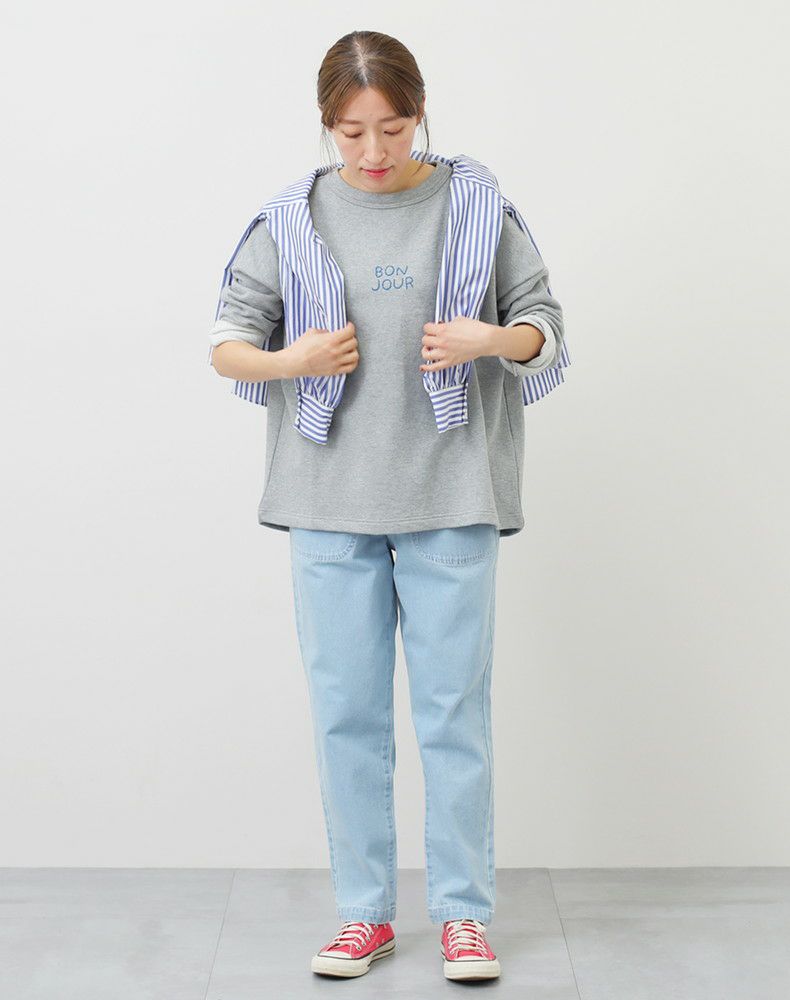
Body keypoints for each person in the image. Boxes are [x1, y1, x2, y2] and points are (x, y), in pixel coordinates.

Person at [208, 29, 568, 983]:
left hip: (452, 491)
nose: (373, 152)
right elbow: (227, 342)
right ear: (326, 125)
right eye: (352, 132)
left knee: (454, 715)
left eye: (394, 128)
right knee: (347, 716)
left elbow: (545, 327)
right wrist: (291, 359)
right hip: (328, 500)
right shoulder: (291, 219)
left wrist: (492, 338)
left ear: (421, 113)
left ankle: (464, 918)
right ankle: (364, 915)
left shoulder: (478, 207)